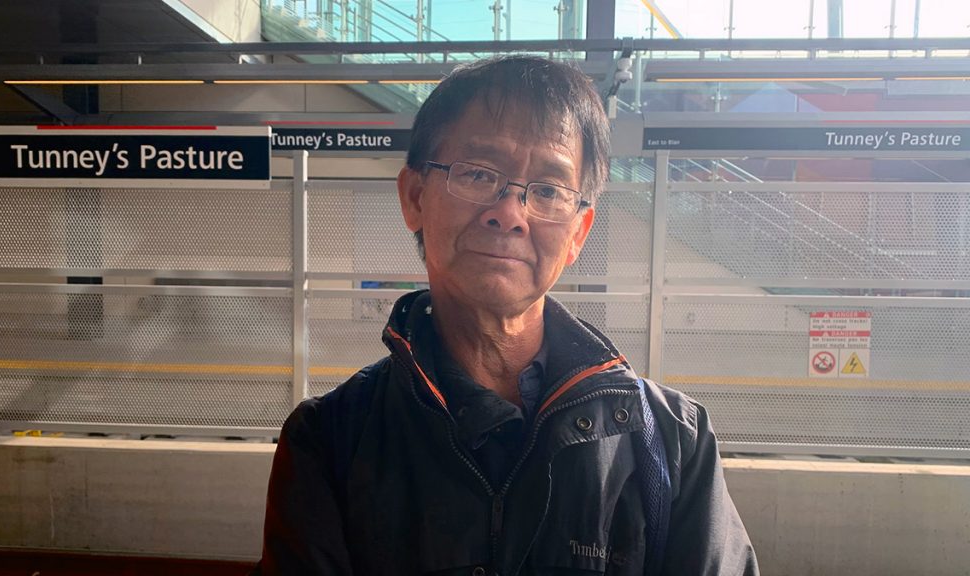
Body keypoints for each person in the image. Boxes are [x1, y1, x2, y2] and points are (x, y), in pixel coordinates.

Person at [259, 55, 758, 576]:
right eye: (478, 173)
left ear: (577, 235)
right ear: (414, 198)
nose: (510, 213)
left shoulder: (672, 443)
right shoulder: (328, 443)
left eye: (547, 190)